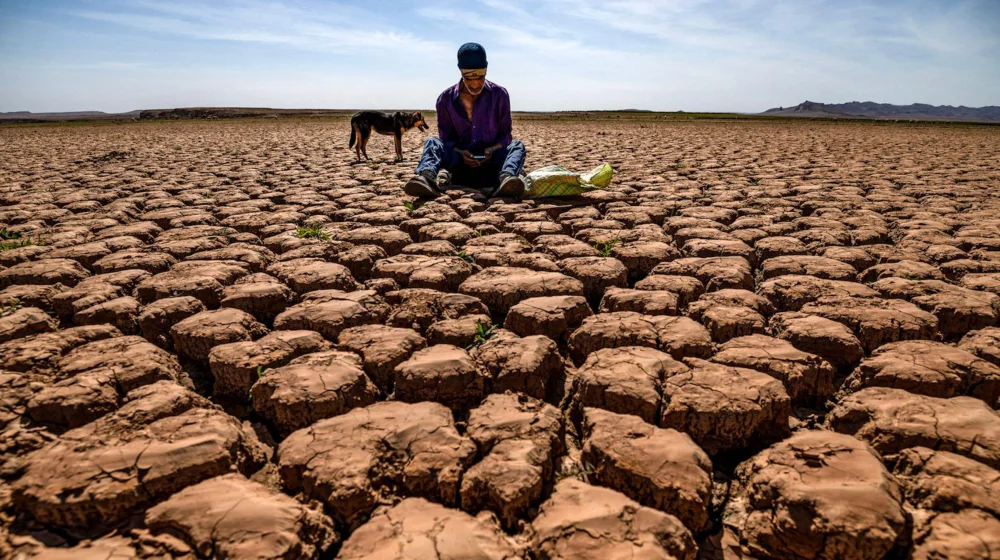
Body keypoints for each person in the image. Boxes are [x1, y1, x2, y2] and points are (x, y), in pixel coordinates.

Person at [404, 43, 526, 199]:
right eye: (469, 78)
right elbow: (446, 139)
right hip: (460, 164)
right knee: (432, 142)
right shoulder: (445, 99)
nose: (475, 84)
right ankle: (426, 178)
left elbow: (506, 136)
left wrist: (492, 150)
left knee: (517, 146)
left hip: (492, 164)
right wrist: (461, 153)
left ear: (486, 69)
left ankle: (507, 180)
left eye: (480, 77)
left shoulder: (499, 95)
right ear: (460, 71)